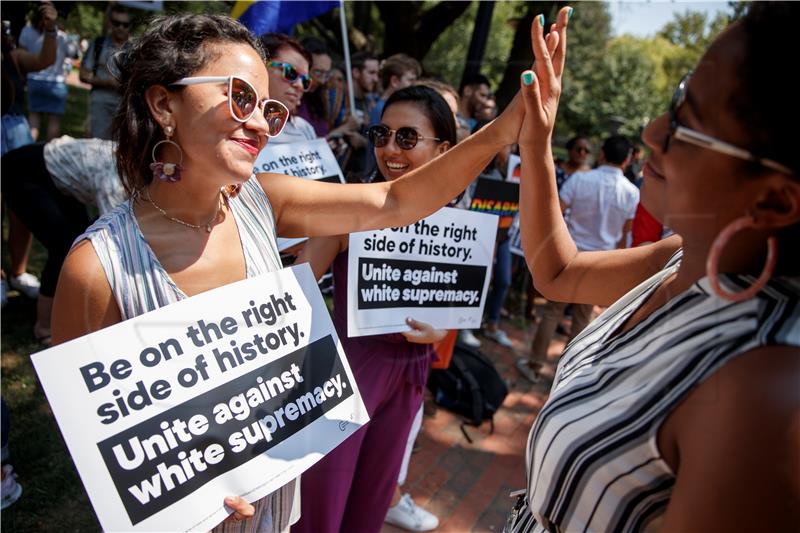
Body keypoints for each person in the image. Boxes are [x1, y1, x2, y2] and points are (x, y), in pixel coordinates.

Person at [51, 14, 526, 532]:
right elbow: (91, 439)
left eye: (268, 109)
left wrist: (504, 129)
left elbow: (393, 200)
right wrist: (188, 494)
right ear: (164, 104)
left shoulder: (263, 200)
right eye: (240, 98)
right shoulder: (97, 268)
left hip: (277, 509)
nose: (259, 124)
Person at [511, 4, 799, 530]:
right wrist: (536, 141)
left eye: (688, 126)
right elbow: (557, 271)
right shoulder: (686, 256)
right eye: (678, 98)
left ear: (776, 202)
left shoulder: (765, 394)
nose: (651, 129)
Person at [293, 85, 454, 533]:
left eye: (408, 138)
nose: (390, 148)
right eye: (383, 134)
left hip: (412, 370)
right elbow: (298, 285)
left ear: (442, 149)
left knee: (374, 494)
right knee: (323, 494)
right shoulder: (352, 204)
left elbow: (452, 306)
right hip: (352, 365)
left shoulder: (454, 222)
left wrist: (438, 332)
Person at [519, 134, 639, 382]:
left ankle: (535, 365)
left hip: (571, 255)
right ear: (626, 161)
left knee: (552, 312)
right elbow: (624, 237)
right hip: (603, 261)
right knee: (583, 320)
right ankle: (569, 376)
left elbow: (554, 215)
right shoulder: (631, 193)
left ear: (602, 154)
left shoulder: (580, 180)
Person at [2, 136, 122, 345]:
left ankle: (66, 302)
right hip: (25, 170)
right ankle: (43, 328)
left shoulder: (139, 171)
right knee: (67, 249)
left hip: (59, 180)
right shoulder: (117, 183)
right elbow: (113, 241)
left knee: (78, 240)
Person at [1, 3, 59, 307]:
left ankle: (18, 273)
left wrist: (50, 28)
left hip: (14, 129)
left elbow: (43, 60)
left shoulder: (11, 54)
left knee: (21, 207)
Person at [18, 6, 76, 141]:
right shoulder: (61, 35)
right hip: (57, 82)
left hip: (34, 80)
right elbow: (71, 53)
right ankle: (49, 154)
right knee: (54, 123)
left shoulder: (26, 31)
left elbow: (21, 56)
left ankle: (29, 149)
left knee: (34, 120)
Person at [79, 4, 131, 139]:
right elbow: (83, 75)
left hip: (124, 106)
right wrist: (106, 82)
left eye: (125, 24)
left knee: (120, 148)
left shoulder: (135, 50)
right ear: (110, 24)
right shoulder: (98, 44)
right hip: (99, 102)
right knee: (96, 144)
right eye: (117, 23)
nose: (121, 27)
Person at [259, 33, 316, 144]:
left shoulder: (305, 129)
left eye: (305, 81)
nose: (299, 85)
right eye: (290, 72)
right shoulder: (233, 127)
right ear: (261, 65)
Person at [368, 53, 422, 126]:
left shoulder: (393, 106)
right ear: (394, 81)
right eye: (410, 80)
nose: (414, 84)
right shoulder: (382, 109)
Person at [296, 36, 332, 137]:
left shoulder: (320, 98)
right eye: (317, 72)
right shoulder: (289, 97)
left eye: (326, 74)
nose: (322, 80)